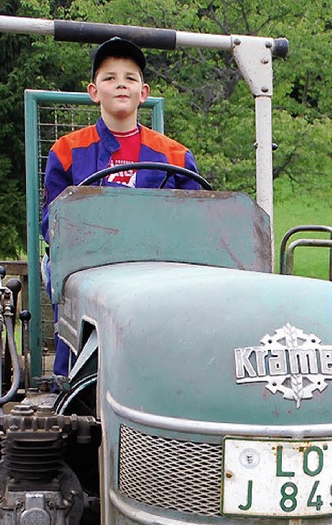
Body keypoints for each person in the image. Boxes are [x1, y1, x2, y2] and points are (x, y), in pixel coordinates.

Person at [41, 36, 201, 379]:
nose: (120, 85)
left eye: (130, 78)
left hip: (158, 271)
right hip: (90, 268)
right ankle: (72, 382)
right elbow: (52, 222)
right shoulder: (68, 150)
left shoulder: (175, 155)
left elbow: (198, 223)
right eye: (110, 77)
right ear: (94, 91)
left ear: (143, 92)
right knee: (67, 284)